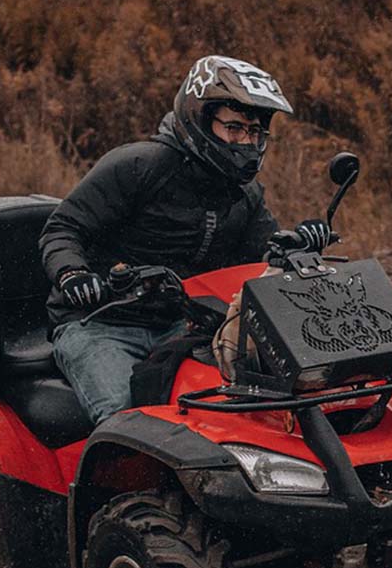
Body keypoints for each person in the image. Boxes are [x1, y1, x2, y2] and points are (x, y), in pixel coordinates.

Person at [39, 55, 332, 424]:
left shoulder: (244, 194)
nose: (246, 141)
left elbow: (263, 254)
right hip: (99, 323)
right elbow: (62, 228)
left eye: (254, 132)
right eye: (235, 128)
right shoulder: (138, 167)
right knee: (127, 418)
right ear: (201, 119)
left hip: (183, 324)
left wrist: (299, 243)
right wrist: (72, 275)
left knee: (240, 405)